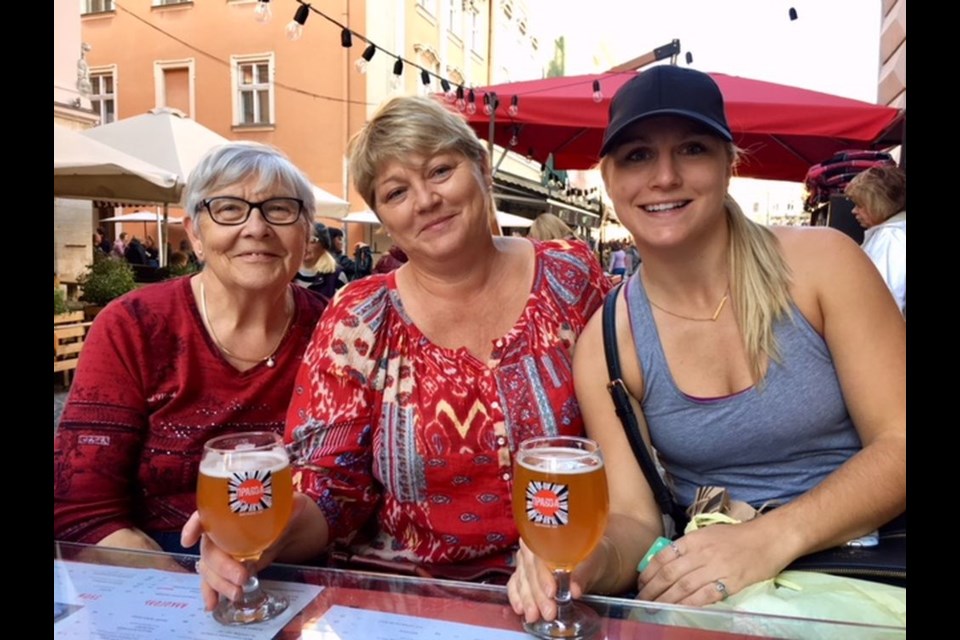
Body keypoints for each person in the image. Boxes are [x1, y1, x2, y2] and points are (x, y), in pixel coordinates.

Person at [508, 65, 905, 618]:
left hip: (870, 573)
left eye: (692, 149)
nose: (664, 176)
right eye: (638, 155)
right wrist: (585, 560)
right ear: (609, 178)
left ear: (728, 164)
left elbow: (900, 442)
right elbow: (635, 521)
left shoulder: (822, 265)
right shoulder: (609, 340)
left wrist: (769, 539)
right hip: (718, 599)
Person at [185, 95, 609, 609]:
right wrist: (260, 539)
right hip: (402, 597)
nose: (426, 200)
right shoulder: (361, 313)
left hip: (569, 583)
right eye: (396, 191)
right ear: (384, 216)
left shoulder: (571, 275)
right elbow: (329, 483)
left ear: (481, 170)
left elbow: (632, 417)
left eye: (440, 170)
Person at [54, 141, 328, 554]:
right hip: (152, 566)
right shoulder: (134, 325)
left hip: (295, 562)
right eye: (229, 209)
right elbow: (82, 510)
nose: (256, 228)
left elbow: (347, 492)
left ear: (306, 233)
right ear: (196, 234)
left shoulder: (335, 330)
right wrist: (185, 596)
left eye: (281, 209)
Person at [844, 166, 906, 316]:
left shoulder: (892, 238)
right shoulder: (893, 233)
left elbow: (884, 301)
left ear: (878, 204)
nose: (854, 211)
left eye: (860, 205)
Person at [293, 222, 346, 300]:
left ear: (324, 245)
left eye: (312, 240)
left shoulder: (336, 277)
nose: (305, 245)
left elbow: (342, 309)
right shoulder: (288, 276)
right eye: (301, 240)